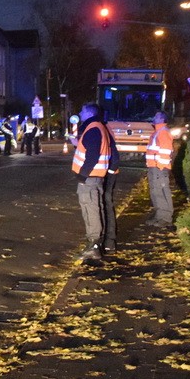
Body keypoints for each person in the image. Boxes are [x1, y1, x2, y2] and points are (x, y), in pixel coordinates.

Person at [71, 102, 112, 263]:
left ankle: (93, 245)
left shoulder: (93, 129)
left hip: (90, 178)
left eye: (81, 110)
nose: (80, 113)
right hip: (95, 177)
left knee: (91, 209)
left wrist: (82, 176)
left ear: (88, 113)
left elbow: (92, 156)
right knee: (95, 207)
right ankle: (95, 244)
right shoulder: (97, 127)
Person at [145, 110, 175, 228]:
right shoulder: (157, 132)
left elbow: (165, 151)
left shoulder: (163, 132)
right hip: (155, 167)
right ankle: (159, 216)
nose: (154, 117)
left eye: (156, 116)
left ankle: (166, 218)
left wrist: (160, 166)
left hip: (159, 168)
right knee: (156, 192)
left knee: (161, 191)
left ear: (162, 119)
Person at [100, 111, 121, 255]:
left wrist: (111, 171)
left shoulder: (102, 129)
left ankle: (109, 241)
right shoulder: (104, 129)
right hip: (107, 172)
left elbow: (113, 153)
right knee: (105, 203)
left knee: (106, 203)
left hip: (107, 173)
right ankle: (108, 240)